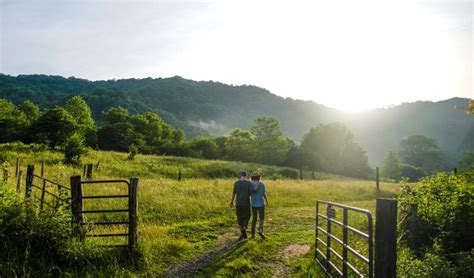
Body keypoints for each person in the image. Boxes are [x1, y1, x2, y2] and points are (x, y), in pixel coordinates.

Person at [229, 170, 253, 239]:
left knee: (239, 217)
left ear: (241, 176)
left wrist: (231, 201)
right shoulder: (249, 183)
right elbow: (252, 193)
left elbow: (234, 193)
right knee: (247, 216)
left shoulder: (236, 183)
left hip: (238, 203)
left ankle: (242, 233)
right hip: (246, 203)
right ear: (246, 176)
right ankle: (244, 228)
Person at [250, 171, 268, 239]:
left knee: (254, 218)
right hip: (261, 203)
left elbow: (250, 193)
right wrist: (266, 201)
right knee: (262, 218)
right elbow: (264, 194)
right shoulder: (262, 184)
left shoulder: (250, 184)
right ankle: (260, 230)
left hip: (253, 204)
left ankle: (252, 234)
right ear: (259, 177)